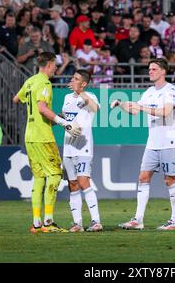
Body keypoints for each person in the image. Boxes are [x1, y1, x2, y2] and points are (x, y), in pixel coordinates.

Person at [13, 52, 82, 234]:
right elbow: (42, 108)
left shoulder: (30, 81)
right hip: (43, 136)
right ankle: (48, 222)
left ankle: (36, 223)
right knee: (55, 174)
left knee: (39, 177)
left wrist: (52, 116)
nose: (56, 69)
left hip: (30, 136)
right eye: (55, 65)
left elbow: (16, 99)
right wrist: (63, 123)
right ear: (50, 64)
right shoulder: (44, 83)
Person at [113, 58, 175, 230]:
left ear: (163, 71)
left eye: (154, 69)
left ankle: (174, 221)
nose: (150, 71)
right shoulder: (149, 91)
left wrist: (141, 108)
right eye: (149, 69)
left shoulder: (171, 90)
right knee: (143, 178)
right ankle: (138, 219)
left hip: (168, 141)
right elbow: (134, 110)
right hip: (152, 143)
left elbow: (165, 112)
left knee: (169, 180)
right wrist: (121, 104)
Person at [62, 70, 103, 233]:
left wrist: (81, 93)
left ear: (84, 83)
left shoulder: (90, 96)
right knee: (72, 184)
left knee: (83, 181)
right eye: (73, 77)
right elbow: (66, 119)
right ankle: (77, 223)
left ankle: (96, 221)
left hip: (84, 147)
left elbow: (96, 109)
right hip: (68, 146)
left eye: (76, 79)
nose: (72, 80)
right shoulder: (66, 98)